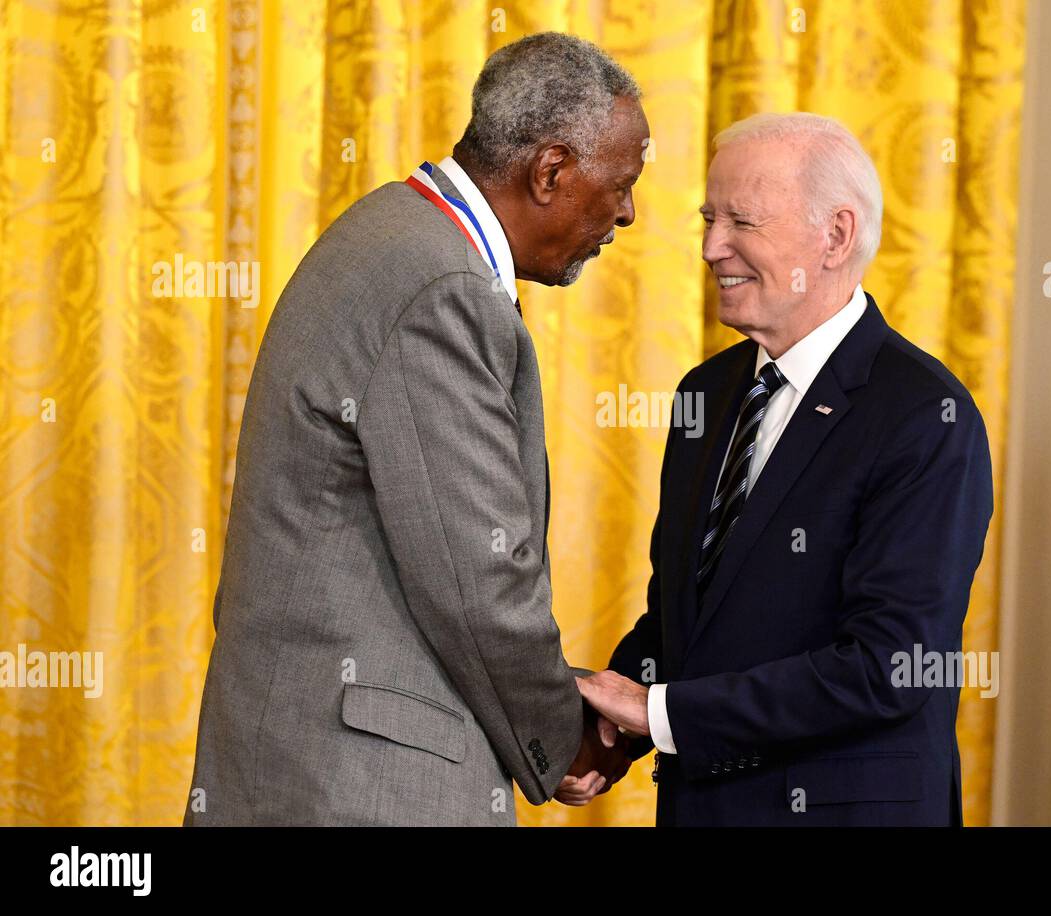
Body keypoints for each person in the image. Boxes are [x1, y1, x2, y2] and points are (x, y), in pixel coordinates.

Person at [184, 32, 646, 826]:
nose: (628, 214)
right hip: (359, 791)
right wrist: (561, 734)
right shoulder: (443, 289)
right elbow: (479, 584)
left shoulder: (385, 233)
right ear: (551, 171)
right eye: (622, 184)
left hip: (298, 764)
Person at [577, 112, 994, 826]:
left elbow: (887, 666)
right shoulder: (703, 395)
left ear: (836, 236)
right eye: (709, 218)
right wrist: (610, 731)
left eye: (742, 221)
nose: (711, 247)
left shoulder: (925, 416)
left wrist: (658, 711)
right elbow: (690, 619)